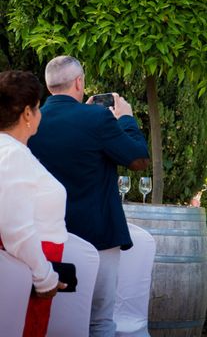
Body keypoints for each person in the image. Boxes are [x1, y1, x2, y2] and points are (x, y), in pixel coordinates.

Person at [28, 56, 149, 337]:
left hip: (47, 238)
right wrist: (127, 119)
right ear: (80, 82)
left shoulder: (32, 120)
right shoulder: (97, 117)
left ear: (49, 86)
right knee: (100, 321)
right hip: (98, 235)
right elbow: (138, 159)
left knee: (52, 318)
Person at [0, 70, 68, 336]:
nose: (40, 114)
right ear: (27, 113)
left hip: (29, 268)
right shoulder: (12, 154)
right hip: (27, 274)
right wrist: (44, 277)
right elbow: (14, 226)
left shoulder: (12, 150)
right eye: (38, 108)